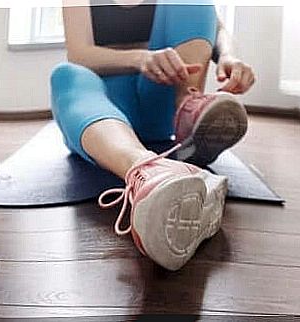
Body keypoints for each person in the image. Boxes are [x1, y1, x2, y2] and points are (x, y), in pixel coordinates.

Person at [50, 0, 255, 270]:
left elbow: (216, 26)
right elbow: (79, 54)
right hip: (103, 104)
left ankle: (188, 109)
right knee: (66, 74)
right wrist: (140, 57)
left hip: (160, 96)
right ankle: (149, 171)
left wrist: (228, 56)